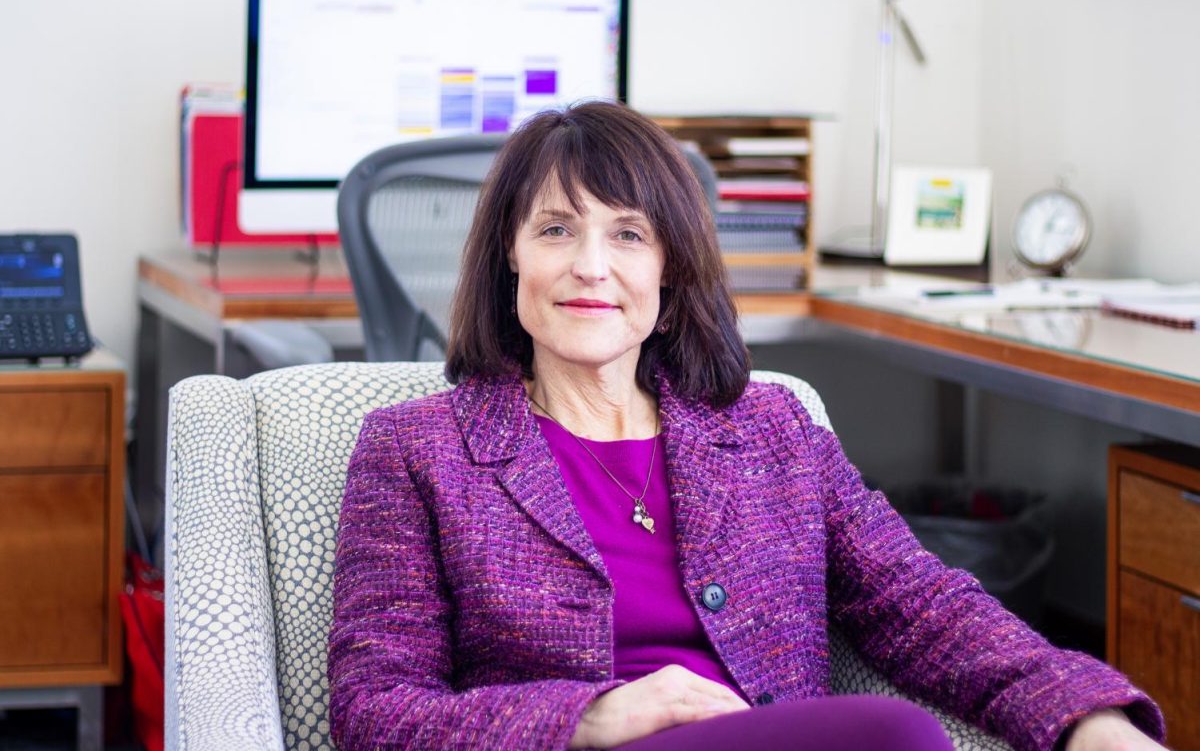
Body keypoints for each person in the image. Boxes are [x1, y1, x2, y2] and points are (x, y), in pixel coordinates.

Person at [328, 100, 1166, 751]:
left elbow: (921, 606)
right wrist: (587, 717)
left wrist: (1081, 714)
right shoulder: (415, 451)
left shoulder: (772, 430)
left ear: (668, 266)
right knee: (897, 737)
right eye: (556, 230)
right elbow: (373, 711)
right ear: (511, 253)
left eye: (628, 234)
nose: (591, 266)